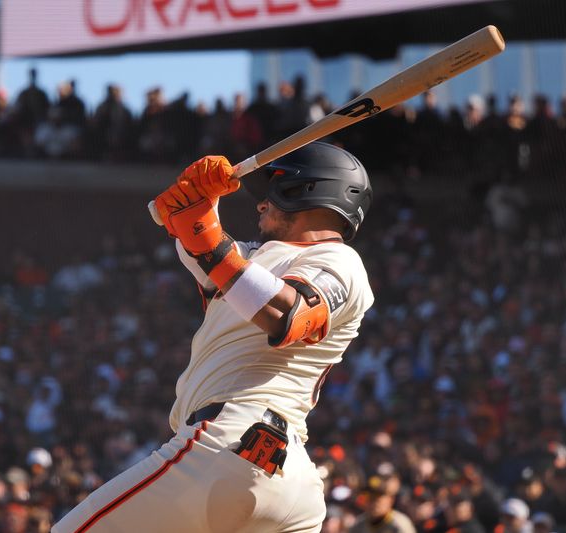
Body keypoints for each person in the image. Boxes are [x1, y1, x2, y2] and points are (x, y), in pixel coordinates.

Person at [53, 141, 374, 532]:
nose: (261, 205)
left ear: (305, 190)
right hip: (280, 477)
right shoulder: (256, 257)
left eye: (272, 191)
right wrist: (202, 195)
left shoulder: (340, 260)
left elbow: (289, 315)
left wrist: (207, 238)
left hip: (233, 440)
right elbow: (200, 247)